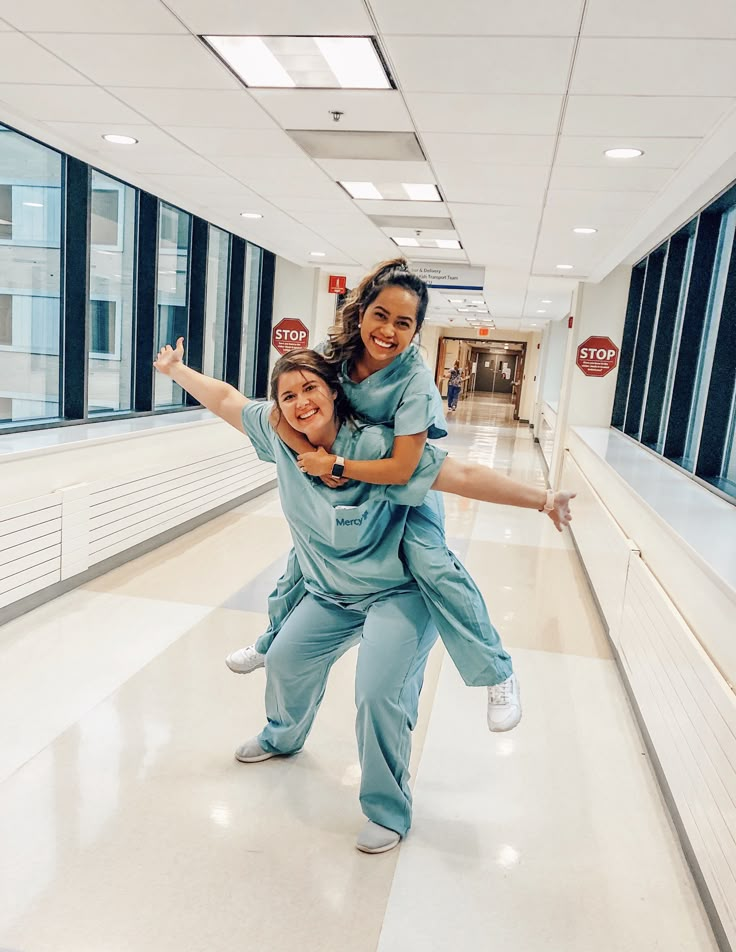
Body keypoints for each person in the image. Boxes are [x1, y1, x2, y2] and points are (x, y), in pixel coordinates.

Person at [225, 259, 574, 735]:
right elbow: (290, 405)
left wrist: (543, 498)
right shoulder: (337, 353)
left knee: (434, 567)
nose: (387, 331)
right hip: (345, 481)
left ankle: (498, 671)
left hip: (401, 490)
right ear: (362, 312)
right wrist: (311, 449)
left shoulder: (413, 381)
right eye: (380, 315)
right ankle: (272, 644)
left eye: (403, 323)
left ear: (416, 331)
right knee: (306, 557)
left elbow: (408, 468)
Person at [153, 344, 447, 853]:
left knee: (379, 693)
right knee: (286, 658)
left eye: (311, 387)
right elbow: (225, 400)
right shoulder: (278, 436)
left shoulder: (376, 444)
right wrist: (176, 370)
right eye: (288, 395)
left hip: (400, 591)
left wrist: (538, 499)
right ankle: (281, 736)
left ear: (334, 391)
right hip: (332, 591)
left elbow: (454, 475)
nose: (301, 401)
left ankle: (388, 809)